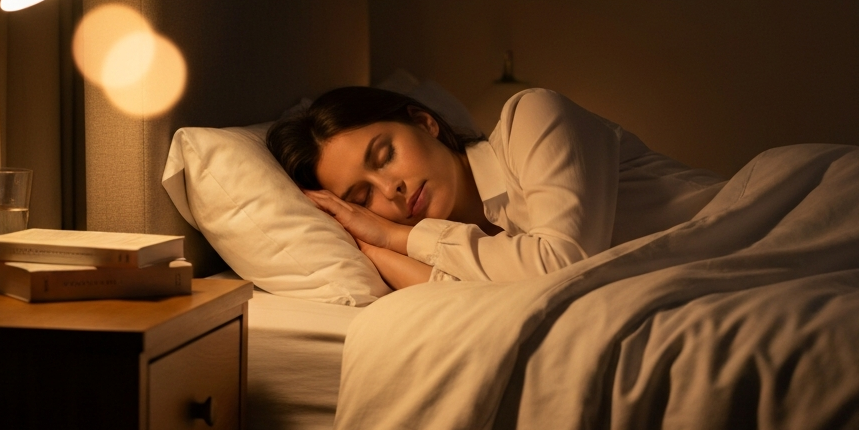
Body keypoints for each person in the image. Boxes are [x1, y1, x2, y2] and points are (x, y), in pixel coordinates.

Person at [267, 86, 726, 290]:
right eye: (362, 198)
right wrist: (373, 253)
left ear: (425, 123)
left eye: (385, 155)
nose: (393, 190)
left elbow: (563, 265)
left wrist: (398, 237)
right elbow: (466, 295)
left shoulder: (534, 117)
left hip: (771, 214)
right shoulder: (458, 255)